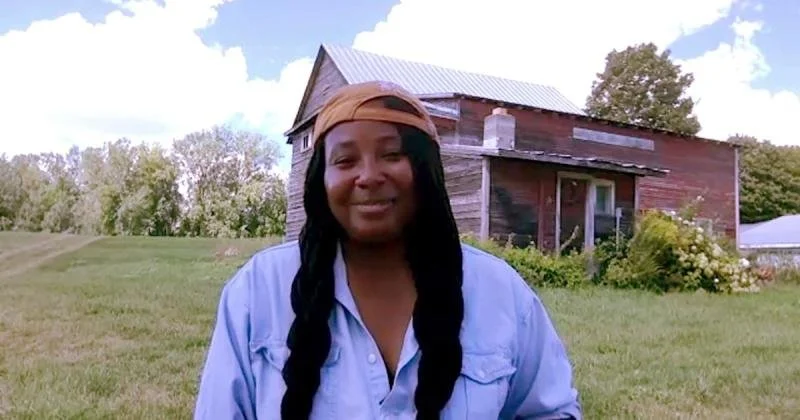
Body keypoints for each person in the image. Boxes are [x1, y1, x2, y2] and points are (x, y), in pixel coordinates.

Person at [193, 81, 582, 419]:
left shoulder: (501, 292)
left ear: (425, 170)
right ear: (321, 180)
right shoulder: (257, 292)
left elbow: (550, 411)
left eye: (392, 155)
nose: (368, 177)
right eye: (345, 160)